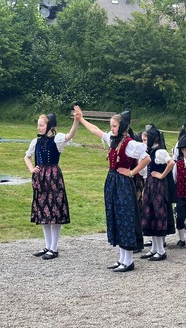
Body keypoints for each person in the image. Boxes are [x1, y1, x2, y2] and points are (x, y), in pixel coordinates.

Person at [74, 105, 151, 272]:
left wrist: (131, 172)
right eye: (111, 127)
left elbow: (146, 158)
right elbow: (95, 130)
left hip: (123, 183)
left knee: (125, 218)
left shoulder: (130, 144)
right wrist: (81, 119)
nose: (112, 129)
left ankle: (129, 260)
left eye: (114, 126)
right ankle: (122, 258)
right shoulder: (113, 140)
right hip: (113, 182)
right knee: (116, 217)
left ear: (122, 127)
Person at [24, 112, 79, 260]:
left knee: (54, 211)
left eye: (41, 125)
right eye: (38, 125)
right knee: (43, 211)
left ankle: (54, 248)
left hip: (53, 177)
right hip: (40, 178)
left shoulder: (57, 139)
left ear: (49, 126)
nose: (39, 127)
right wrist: (31, 169)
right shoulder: (36, 141)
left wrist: (76, 121)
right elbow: (26, 156)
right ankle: (47, 246)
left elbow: (70, 135)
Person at [140, 124, 176, 261]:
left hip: (158, 187)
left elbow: (171, 163)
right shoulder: (151, 152)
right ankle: (154, 248)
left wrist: (161, 175)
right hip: (150, 185)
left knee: (158, 216)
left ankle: (161, 250)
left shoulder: (160, 152)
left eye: (145, 140)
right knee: (151, 216)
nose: (144, 142)